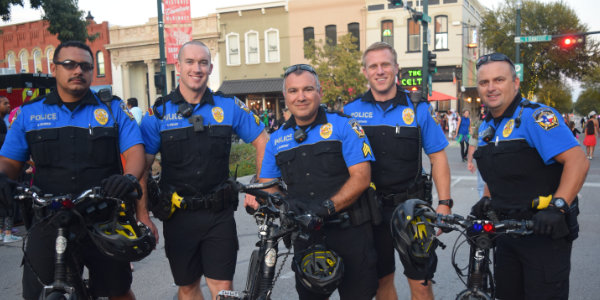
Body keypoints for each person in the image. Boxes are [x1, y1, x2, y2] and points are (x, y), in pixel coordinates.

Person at [0, 41, 149, 300]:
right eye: (69, 64)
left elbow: (134, 152)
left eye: (85, 66)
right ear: (55, 68)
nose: (77, 70)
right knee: (36, 294)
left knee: (119, 292)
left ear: (92, 71)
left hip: (103, 219)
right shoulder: (30, 113)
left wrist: (127, 178)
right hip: (49, 219)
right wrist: (3, 179)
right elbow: (9, 162)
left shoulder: (112, 109)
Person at [139, 40, 268, 300]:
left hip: (218, 215)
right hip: (178, 217)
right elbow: (141, 167)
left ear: (210, 68)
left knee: (222, 288)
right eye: (190, 62)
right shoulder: (159, 114)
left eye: (203, 63)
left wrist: (259, 187)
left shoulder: (228, 106)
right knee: (187, 288)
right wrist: (142, 214)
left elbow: (263, 141)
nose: (196, 68)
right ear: (178, 66)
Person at [247, 63, 378, 300]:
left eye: (308, 89)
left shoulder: (344, 126)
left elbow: (362, 177)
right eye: (293, 91)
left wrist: (326, 207)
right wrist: (285, 205)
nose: (301, 97)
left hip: (351, 232)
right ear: (285, 97)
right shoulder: (276, 140)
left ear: (319, 92)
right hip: (306, 236)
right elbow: (267, 184)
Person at [471, 52, 589, 299]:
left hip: (543, 234)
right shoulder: (487, 127)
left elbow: (577, 161)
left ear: (515, 83)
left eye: (499, 80)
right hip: (506, 235)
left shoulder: (535, 117)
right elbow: (498, 173)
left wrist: (558, 207)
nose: (491, 88)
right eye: (484, 82)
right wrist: (487, 199)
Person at [344, 42, 452, 300]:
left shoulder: (417, 108)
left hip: (412, 209)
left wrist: (445, 203)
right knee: (382, 281)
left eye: (385, 65)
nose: (380, 71)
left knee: (421, 283)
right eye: (373, 66)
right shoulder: (350, 111)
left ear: (396, 69)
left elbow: (437, 157)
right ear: (365, 71)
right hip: (369, 211)